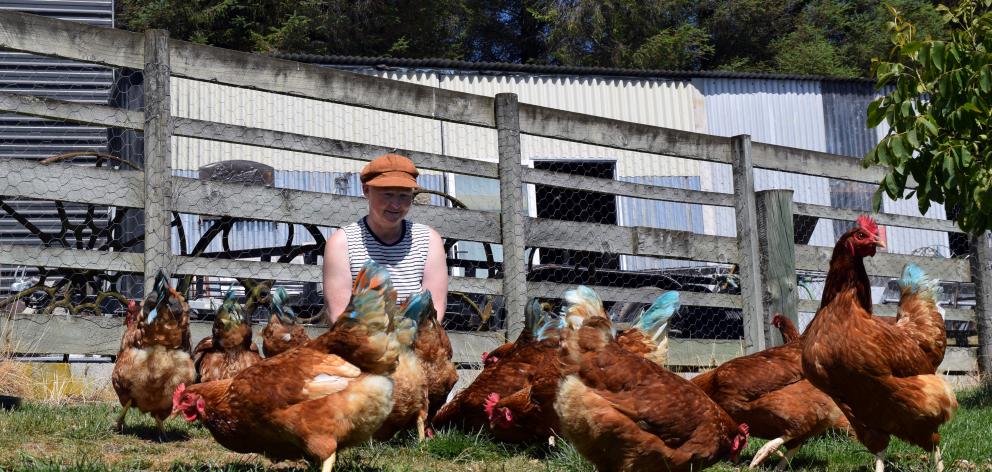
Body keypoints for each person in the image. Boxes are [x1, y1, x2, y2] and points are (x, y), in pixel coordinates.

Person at [322, 153, 448, 323]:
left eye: (404, 196)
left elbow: (435, 310)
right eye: (387, 194)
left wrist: (409, 343)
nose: (396, 205)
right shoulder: (341, 244)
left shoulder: (429, 241)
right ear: (366, 190)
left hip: (414, 341)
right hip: (360, 343)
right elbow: (339, 315)